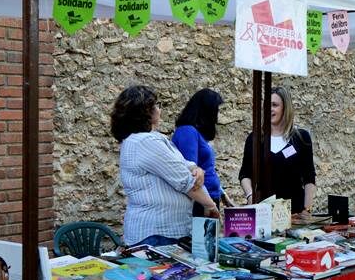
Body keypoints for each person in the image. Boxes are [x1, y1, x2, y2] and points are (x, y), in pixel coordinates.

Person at [110, 85, 218, 246]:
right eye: (157, 105)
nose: (159, 109)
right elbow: (185, 180)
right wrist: (210, 205)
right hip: (157, 233)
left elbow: (182, 163)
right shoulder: (146, 142)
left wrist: (196, 169)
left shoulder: (145, 139)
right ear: (146, 111)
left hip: (159, 232)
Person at [239, 86, 316, 214]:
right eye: (267, 105)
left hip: (294, 212)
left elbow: (309, 178)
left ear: (285, 108)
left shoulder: (301, 138)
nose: (270, 109)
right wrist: (250, 196)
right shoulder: (255, 139)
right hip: (263, 211)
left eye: (274, 105)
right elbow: (245, 174)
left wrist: (307, 210)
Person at [172, 88, 235, 211]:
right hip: (200, 202)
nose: (217, 116)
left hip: (210, 197)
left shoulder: (196, 133)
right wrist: (208, 203)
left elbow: (206, 167)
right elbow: (192, 174)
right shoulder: (187, 132)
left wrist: (222, 193)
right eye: (215, 111)